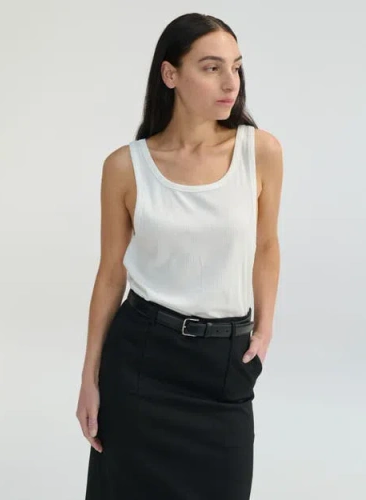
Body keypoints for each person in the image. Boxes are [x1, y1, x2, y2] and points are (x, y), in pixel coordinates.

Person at [77, 12, 283, 500]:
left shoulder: (260, 152)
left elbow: (267, 245)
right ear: (170, 74)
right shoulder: (126, 167)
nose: (231, 82)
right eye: (212, 67)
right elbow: (110, 275)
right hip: (141, 362)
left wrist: (264, 330)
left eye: (236, 67)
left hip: (223, 365)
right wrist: (89, 376)